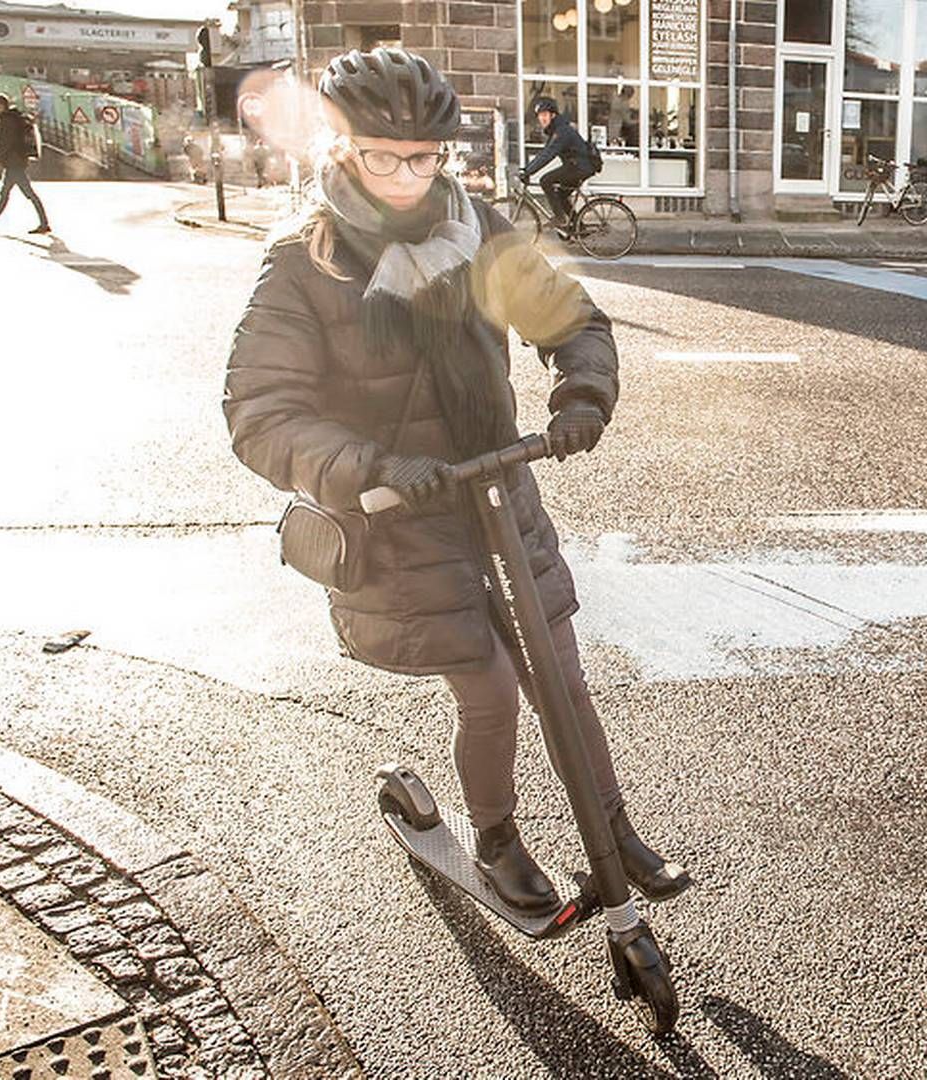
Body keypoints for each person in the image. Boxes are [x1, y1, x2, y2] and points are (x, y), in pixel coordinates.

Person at [222, 47, 689, 916]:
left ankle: (611, 830)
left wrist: (583, 389)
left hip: (498, 495)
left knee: (561, 672)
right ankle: (496, 837)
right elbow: (259, 414)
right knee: (490, 685)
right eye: (383, 157)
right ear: (341, 148)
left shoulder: (475, 229)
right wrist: (371, 466)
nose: (408, 177)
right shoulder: (304, 261)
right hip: (400, 511)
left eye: (426, 158)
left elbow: (573, 318)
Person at [0, 94, 50, 235]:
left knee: (28, 194)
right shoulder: (12, 118)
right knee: (6, 193)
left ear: (1, 106)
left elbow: (4, 145)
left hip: (14, 162)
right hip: (16, 161)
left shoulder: (7, 121)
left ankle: (44, 224)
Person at [518, 96, 599, 231]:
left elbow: (549, 154)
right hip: (578, 165)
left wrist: (528, 171)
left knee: (546, 180)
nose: (541, 119)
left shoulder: (561, 132)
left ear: (553, 115)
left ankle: (560, 218)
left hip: (580, 167)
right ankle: (579, 228)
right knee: (561, 195)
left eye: (544, 115)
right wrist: (527, 169)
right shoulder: (557, 129)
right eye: (539, 116)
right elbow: (545, 152)